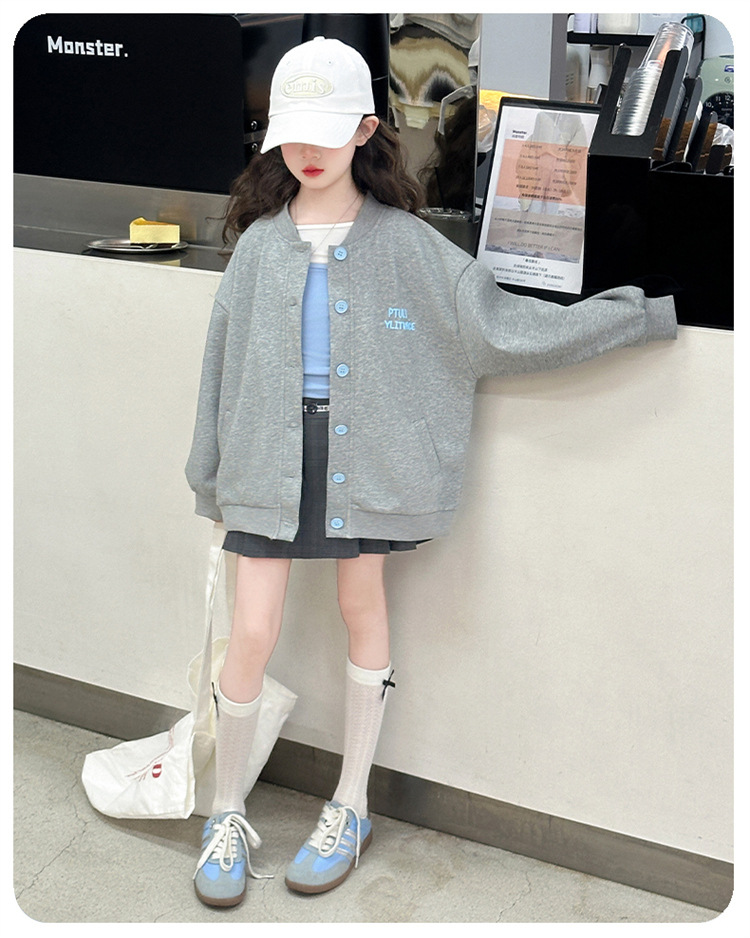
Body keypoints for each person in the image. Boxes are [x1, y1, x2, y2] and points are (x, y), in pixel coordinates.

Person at [185, 37, 677, 908]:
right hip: (266, 457)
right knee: (251, 630)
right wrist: (209, 477)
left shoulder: (409, 246)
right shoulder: (258, 246)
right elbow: (221, 366)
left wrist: (633, 316)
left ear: (364, 129)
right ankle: (224, 813)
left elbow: (501, 327)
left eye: (328, 131)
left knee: (362, 609)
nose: (308, 152)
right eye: (293, 133)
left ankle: (351, 803)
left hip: (366, 460)